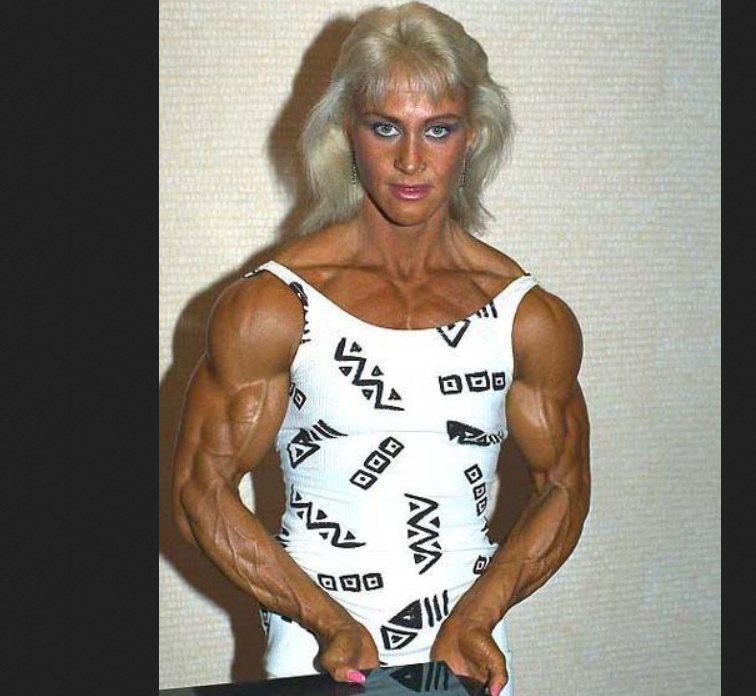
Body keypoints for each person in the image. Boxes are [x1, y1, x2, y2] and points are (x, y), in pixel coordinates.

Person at [172, 4, 591, 696]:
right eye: (385, 127)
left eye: (439, 129)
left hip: (468, 644)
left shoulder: (529, 318)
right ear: (347, 130)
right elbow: (200, 491)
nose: (410, 160)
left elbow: (565, 487)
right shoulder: (273, 306)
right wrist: (325, 619)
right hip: (318, 643)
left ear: (473, 135)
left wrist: (480, 615)